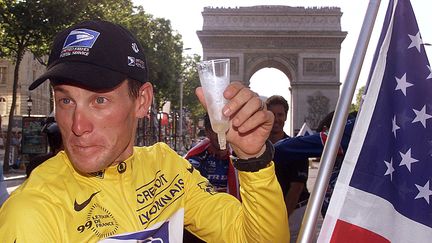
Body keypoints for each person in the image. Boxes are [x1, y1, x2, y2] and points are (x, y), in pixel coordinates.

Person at [0, 20, 288, 242]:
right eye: (65, 100)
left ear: (142, 101)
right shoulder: (30, 212)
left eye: (99, 100)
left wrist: (255, 161)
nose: (77, 126)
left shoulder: (166, 167)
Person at [266, 95, 310, 242]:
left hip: (294, 212)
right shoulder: (257, 148)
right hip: (267, 214)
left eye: (280, 114)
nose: (276, 119)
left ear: (286, 116)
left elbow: (296, 189)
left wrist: (280, 221)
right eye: (272, 114)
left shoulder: (296, 148)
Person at [184, 113, 239, 199]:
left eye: (225, 129)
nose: (222, 136)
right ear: (207, 132)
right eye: (216, 130)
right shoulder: (195, 159)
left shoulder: (240, 159)